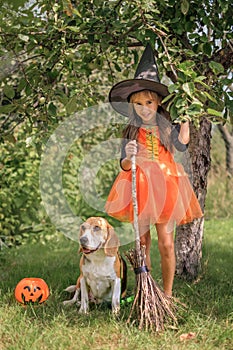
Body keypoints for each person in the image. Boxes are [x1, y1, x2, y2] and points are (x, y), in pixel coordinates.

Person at [105, 44, 203, 297]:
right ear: (132, 106)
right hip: (139, 186)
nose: (144, 108)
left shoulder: (166, 127)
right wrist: (128, 156)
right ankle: (145, 291)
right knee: (143, 242)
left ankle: (168, 295)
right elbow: (125, 166)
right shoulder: (130, 131)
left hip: (166, 188)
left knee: (166, 243)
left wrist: (186, 121)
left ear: (158, 102)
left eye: (148, 101)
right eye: (137, 103)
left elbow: (181, 145)